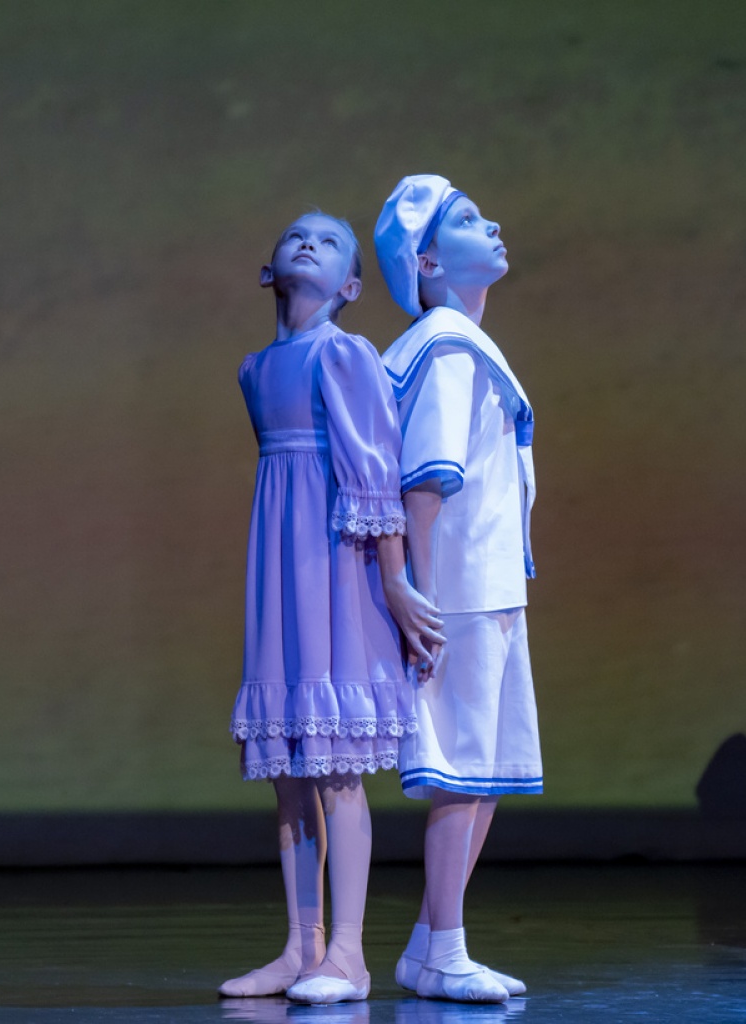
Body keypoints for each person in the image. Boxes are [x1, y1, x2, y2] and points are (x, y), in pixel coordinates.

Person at [222, 211, 443, 1005]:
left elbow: (373, 475)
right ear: (268, 270)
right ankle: (300, 946)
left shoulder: (343, 355)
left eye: (327, 241)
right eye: (294, 235)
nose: (307, 243)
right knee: (289, 771)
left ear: (350, 285)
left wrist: (395, 582)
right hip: (281, 570)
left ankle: (347, 952)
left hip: (337, 568)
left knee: (337, 768)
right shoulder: (255, 369)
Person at [373, 176, 543, 1004]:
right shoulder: (445, 345)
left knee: (487, 773)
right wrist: (420, 595)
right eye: (470, 219)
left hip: (490, 585)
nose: (495, 223)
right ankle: (444, 950)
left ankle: (430, 944)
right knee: (461, 773)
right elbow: (425, 483)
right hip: (461, 590)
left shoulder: (463, 343)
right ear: (430, 262)